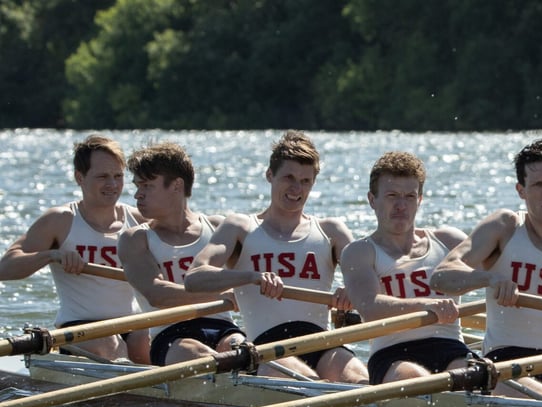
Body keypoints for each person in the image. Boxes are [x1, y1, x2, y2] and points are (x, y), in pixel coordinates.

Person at [184, 130, 368, 383]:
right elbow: (194, 278)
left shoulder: (330, 230)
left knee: (360, 380)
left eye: (305, 181)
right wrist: (251, 277)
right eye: (289, 178)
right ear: (270, 175)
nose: (296, 188)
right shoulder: (240, 228)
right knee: (306, 381)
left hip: (322, 343)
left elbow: (373, 279)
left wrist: (353, 289)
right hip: (267, 348)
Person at [431, 138, 542, 403]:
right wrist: (489, 278)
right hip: (504, 362)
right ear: (521, 190)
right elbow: (442, 276)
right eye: (538, 185)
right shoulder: (506, 227)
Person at [0, 134, 150, 363]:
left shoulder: (139, 220)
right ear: (79, 177)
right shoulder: (60, 220)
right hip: (79, 329)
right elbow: (6, 267)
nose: (112, 185)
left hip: (133, 327)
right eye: (102, 176)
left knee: (148, 341)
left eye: (118, 176)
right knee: (111, 344)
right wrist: (52, 255)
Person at [340, 151, 471, 385]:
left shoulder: (450, 242)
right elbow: (369, 307)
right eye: (392, 196)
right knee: (419, 381)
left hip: (451, 347)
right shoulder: (359, 252)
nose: (401, 205)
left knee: (470, 379)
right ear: (372, 200)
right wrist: (426, 304)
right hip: (393, 355)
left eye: (409, 196)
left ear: (419, 200)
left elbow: (497, 271)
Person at [118, 142, 246, 366]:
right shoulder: (135, 239)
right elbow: (157, 294)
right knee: (205, 357)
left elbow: (259, 271)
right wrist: (220, 296)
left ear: (177, 185)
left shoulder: (218, 228)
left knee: (243, 350)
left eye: (147, 186)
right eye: (138, 186)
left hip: (224, 328)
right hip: (171, 335)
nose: (138, 195)